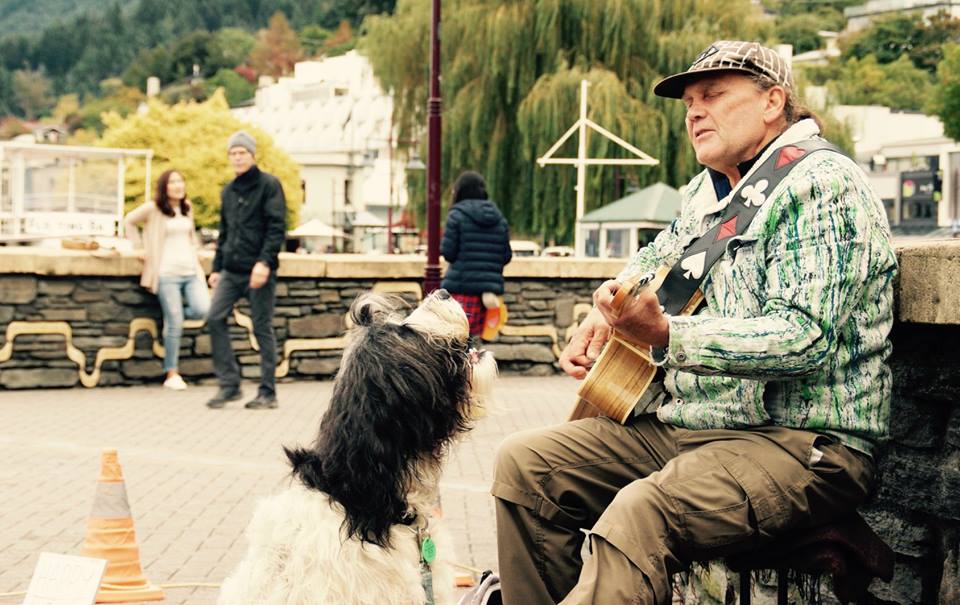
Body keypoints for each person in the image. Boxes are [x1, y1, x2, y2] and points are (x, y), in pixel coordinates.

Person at [492, 40, 898, 604]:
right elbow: (655, 262)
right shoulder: (707, 194)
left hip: (801, 445)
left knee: (640, 512)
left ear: (772, 101)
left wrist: (666, 335)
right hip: (690, 430)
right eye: (688, 102)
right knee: (526, 467)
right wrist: (603, 314)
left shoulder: (825, 185)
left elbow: (805, 337)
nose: (693, 112)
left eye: (712, 95)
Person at [206, 131, 286, 410]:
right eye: (233, 153)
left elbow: (276, 228)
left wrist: (264, 263)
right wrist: (216, 268)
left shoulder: (269, 185)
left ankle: (268, 392)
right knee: (214, 318)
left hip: (258, 269)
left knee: (262, 327)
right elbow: (225, 232)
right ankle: (229, 386)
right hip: (231, 269)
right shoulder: (228, 191)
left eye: (242, 152)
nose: (237, 157)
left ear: (252, 155)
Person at [124, 169, 210, 391]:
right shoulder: (154, 208)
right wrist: (138, 248)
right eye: (172, 182)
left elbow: (190, 237)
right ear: (164, 186)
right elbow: (129, 221)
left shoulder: (186, 208)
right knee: (175, 323)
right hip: (166, 273)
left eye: (180, 181)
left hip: (191, 271)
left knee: (203, 309)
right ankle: (171, 373)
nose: (178, 186)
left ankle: (174, 318)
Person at [440, 171, 512, 341]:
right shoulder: (499, 219)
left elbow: (448, 253)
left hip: (460, 288)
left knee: (455, 340)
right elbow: (506, 256)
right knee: (475, 344)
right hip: (487, 296)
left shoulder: (456, 216)